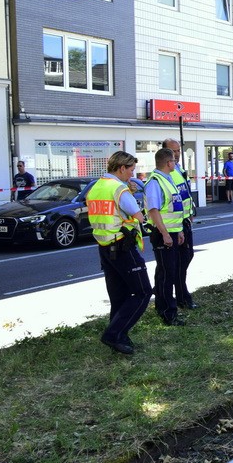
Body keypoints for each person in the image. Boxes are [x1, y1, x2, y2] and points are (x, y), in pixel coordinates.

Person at [87, 151, 151, 355]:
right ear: (121, 168)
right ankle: (113, 334)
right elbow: (139, 216)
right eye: (131, 170)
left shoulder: (96, 187)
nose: (132, 174)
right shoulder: (119, 189)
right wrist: (131, 194)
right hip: (123, 245)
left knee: (118, 296)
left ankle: (119, 338)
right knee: (143, 292)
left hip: (104, 247)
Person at [145, 148, 186, 326]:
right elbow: (153, 211)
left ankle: (165, 308)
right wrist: (165, 233)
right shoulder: (156, 182)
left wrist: (180, 230)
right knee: (166, 275)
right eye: (174, 161)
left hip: (173, 232)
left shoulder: (167, 179)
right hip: (164, 234)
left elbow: (175, 207)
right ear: (168, 163)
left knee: (168, 272)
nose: (175, 163)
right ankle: (168, 313)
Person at [163, 138, 198, 310]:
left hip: (184, 221)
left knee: (187, 257)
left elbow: (185, 195)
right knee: (176, 263)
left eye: (178, 151)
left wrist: (191, 213)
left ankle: (182, 294)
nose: (176, 154)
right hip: (174, 224)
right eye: (173, 151)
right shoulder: (166, 173)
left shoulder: (179, 169)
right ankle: (180, 296)